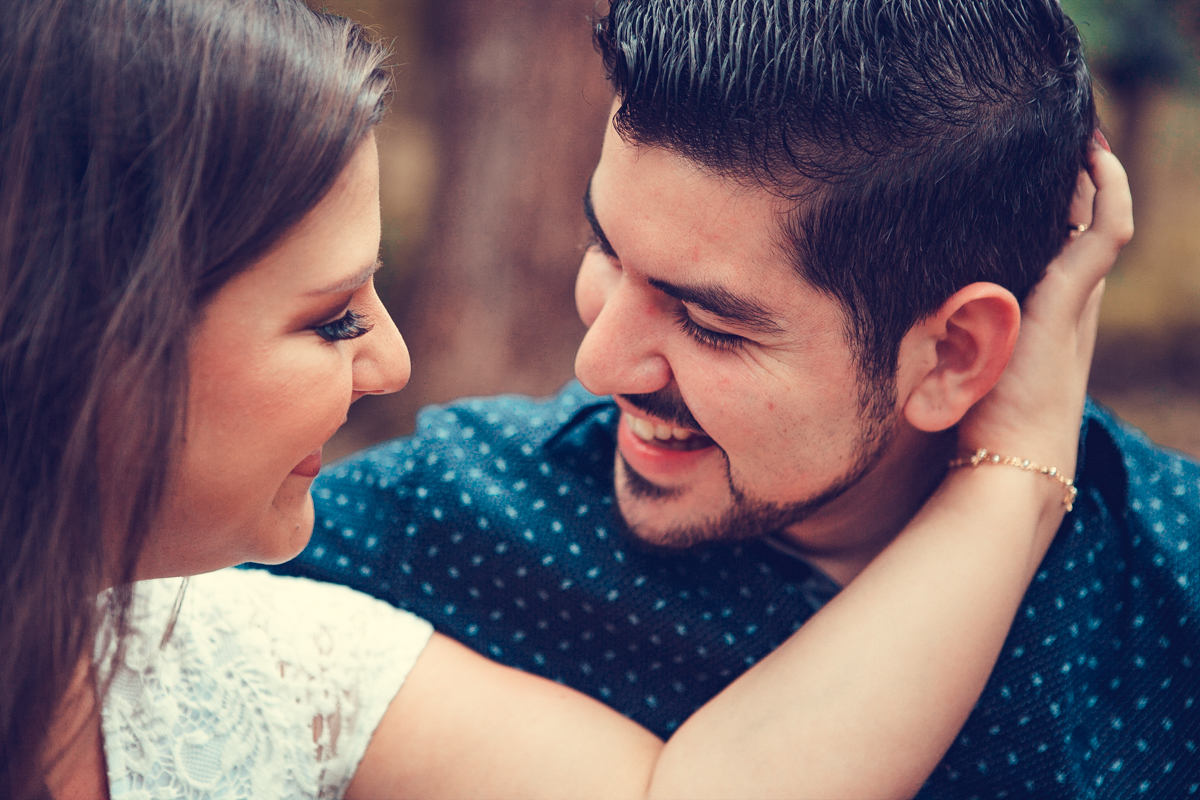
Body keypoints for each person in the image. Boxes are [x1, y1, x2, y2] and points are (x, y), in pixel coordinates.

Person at [0, 0, 1128, 798]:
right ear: (83, 339)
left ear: (956, 351)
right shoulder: (440, 515)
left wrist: (1015, 475)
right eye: (332, 316)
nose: (594, 364)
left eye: (713, 320)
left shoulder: (275, 653)